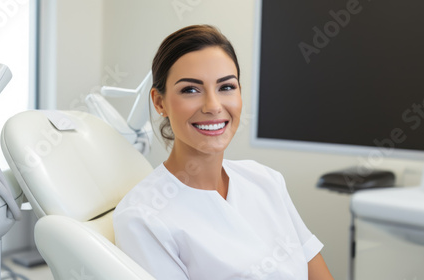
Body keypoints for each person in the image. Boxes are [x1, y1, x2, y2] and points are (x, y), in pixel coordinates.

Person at [113, 24, 334, 280]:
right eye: (191, 90)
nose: (213, 106)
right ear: (159, 102)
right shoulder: (143, 218)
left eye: (226, 87)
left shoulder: (265, 180)